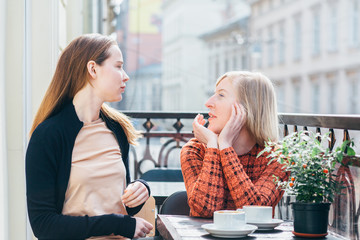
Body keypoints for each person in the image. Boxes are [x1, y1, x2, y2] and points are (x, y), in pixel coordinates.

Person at [26, 33, 153, 239]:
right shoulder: (47, 136)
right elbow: (43, 225)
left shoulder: (117, 129)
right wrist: (117, 224)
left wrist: (139, 190)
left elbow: (122, 208)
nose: (126, 75)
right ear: (93, 69)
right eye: (119, 66)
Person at [180, 71, 289, 218]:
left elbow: (255, 212)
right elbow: (205, 210)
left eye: (221, 95)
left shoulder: (278, 157)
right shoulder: (194, 150)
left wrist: (225, 146)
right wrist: (213, 146)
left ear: (248, 108)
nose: (208, 103)